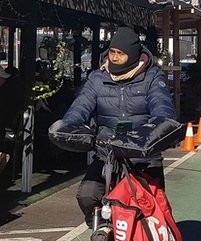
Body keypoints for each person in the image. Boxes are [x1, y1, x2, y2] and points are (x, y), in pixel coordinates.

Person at [52, 26, 179, 227]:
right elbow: (80, 107)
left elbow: (162, 109)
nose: (115, 57)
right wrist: (69, 126)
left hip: (142, 154)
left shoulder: (152, 76)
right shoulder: (97, 78)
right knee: (87, 196)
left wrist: (154, 133)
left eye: (121, 53)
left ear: (134, 55)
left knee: (151, 210)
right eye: (113, 52)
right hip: (107, 151)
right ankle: (102, 235)